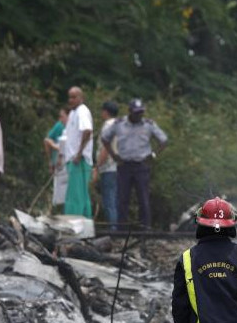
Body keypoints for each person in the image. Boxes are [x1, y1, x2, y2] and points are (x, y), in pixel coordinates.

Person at [101, 98, 168, 229]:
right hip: (124, 165)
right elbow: (105, 138)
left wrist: (153, 154)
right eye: (136, 112)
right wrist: (113, 155)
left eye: (141, 112)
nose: (139, 115)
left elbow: (163, 140)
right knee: (122, 199)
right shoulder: (119, 124)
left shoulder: (148, 125)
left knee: (143, 199)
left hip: (141, 165)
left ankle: (145, 229)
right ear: (130, 111)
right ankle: (122, 230)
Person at [62, 86, 93, 217]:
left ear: (81, 98)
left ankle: (73, 223)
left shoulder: (82, 111)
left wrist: (79, 153)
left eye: (74, 97)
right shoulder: (73, 113)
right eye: (69, 97)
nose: (71, 100)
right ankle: (86, 224)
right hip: (72, 158)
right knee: (81, 194)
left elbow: (87, 130)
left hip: (78, 159)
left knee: (75, 195)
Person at [92, 100, 120, 226]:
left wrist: (97, 167)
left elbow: (105, 149)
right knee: (114, 199)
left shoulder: (108, 126)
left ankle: (113, 229)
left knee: (109, 200)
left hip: (108, 167)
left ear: (105, 112)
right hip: (117, 166)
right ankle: (116, 228)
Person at [43, 108, 69, 212]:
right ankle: (57, 211)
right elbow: (47, 140)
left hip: (69, 163)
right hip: (60, 164)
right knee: (59, 192)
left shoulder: (73, 127)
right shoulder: (60, 126)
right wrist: (50, 161)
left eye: (62, 116)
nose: (60, 119)